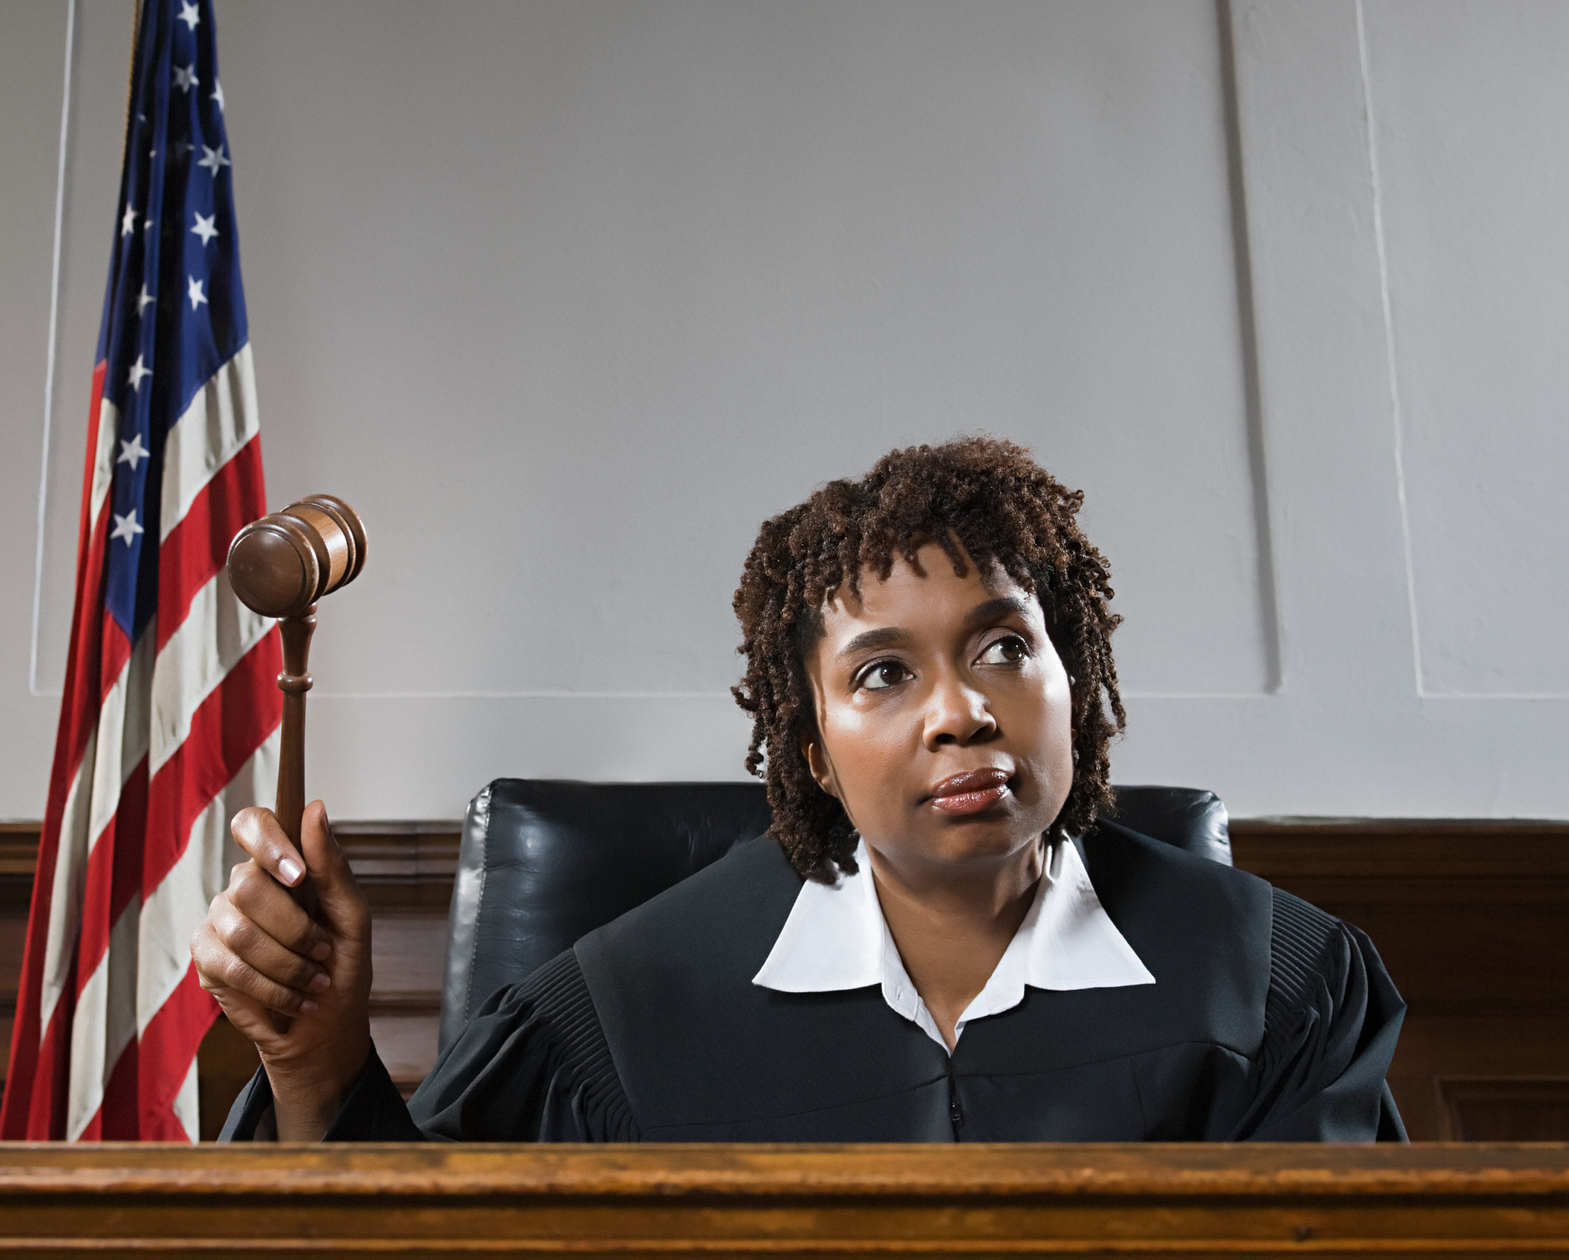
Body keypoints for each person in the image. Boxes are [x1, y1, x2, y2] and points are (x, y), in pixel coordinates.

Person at [198, 436, 1407, 1142]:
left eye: (1004, 647)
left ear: (1074, 679)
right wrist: (318, 1062)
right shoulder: (623, 1010)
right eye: (884, 672)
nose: (961, 709)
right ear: (812, 745)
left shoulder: (1273, 982)